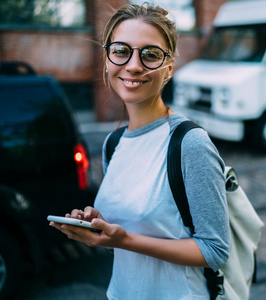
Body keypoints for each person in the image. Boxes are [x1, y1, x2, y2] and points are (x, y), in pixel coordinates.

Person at [49, 3, 230, 299]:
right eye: (121, 51)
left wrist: (126, 240)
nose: (134, 65)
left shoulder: (189, 143)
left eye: (150, 55)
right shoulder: (114, 142)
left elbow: (215, 250)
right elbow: (119, 238)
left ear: (169, 67)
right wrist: (100, 228)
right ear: (107, 59)